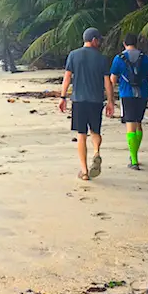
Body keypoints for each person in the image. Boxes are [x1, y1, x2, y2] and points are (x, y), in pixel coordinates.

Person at [59, 27, 114, 181]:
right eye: (99, 40)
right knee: (95, 132)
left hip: (79, 100)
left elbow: (67, 78)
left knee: (81, 135)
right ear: (94, 40)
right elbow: (107, 83)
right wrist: (110, 101)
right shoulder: (101, 58)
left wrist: (62, 97)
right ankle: (96, 152)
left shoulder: (73, 55)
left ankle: (84, 171)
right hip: (96, 101)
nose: (100, 43)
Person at [110, 33, 148, 170]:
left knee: (130, 125)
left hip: (126, 95)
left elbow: (112, 80)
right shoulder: (145, 58)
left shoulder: (119, 59)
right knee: (138, 123)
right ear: (136, 43)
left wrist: (110, 99)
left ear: (124, 43)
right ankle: (134, 155)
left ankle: (134, 159)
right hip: (142, 94)